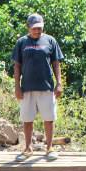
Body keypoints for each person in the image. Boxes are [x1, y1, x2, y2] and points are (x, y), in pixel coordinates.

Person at [12, 13, 64, 161]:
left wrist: (59, 83)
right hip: (27, 87)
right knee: (27, 119)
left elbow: (56, 63)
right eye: (34, 28)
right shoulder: (21, 42)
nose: (37, 31)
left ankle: (49, 148)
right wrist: (17, 86)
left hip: (46, 87)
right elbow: (17, 65)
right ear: (28, 27)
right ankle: (28, 148)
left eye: (40, 28)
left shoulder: (50, 41)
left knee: (49, 118)